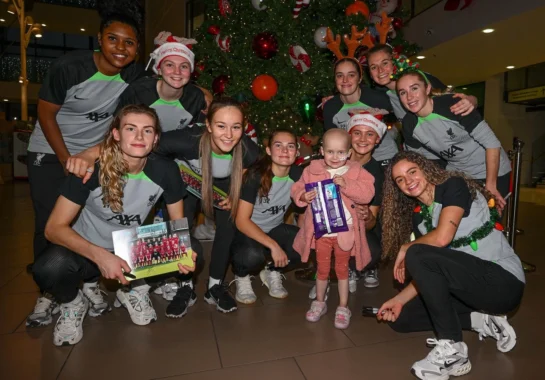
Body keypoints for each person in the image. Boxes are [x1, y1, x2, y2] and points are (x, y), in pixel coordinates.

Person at [66, 98, 261, 313]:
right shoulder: (187, 140)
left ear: (243, 129)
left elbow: (254, 165)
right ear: (208, 126)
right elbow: (142, 142)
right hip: (185, 185)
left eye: (236, 127)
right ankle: (185, 286)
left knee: (228, 226)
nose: (228, 134)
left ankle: (215, 286)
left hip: (220, 188)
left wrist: (237, 190)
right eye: (221, 126)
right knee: (180, 230)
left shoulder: (248, 150)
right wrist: (88, 154)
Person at [32, 105, 198, 346]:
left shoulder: (166, 170)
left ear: (156, 139)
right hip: (87, 250)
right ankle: (72, 302)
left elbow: (177, 223)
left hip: (129, 250)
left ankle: (132, 289)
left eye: (148, 131)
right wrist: (100, 256)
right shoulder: (90, 169)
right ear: (116, 134)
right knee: (48, 267)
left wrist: (182, 251)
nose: (140, 137)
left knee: (193, 255)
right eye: (131, 129)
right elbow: (53, 228)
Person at [26, 0, 144, 328]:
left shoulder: (132, 73)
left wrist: (203, 93)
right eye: (113, 39)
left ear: (136, 50)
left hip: (95, 152)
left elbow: (166, 83)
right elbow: (46, 115)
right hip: (50, 151)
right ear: (99, 38)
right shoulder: (69, 67)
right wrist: (66, 158)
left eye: (129, 42)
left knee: (92, 217)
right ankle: (50, 291)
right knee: (49, 220)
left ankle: (88, 282)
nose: (120, 48)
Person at [377, 151, 524, 380]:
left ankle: (454, 349)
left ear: (425, 169)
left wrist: (406, 248)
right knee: (402, 317)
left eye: (412, 171)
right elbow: (431, 268)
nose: (408, 181)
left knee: (417, 252)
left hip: (503, 282)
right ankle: (483, 320)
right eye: (400, 180)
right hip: (469, 286)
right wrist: (398, 300)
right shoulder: (420, 217)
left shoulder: (453, 186)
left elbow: (442, 238)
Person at [291, 129, 375, 329]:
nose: (335, 157)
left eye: (340, 152)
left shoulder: (357, 171)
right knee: (321, 269)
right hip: (321, 233)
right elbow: (296, 187)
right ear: (321, 151)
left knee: (342, 271)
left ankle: (343, 306)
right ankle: (319, 302)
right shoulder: (311, 170)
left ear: (348, 153)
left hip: (344, 233)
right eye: (330, 152)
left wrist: (347, 185)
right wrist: (302, 196)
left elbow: (367, 194)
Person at [395, 70, 511, 209]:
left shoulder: (451, 105)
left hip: (491, 171)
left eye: (414, 88)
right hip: (458, 173)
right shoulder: (409, 124)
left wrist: (490, 185)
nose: (409, 96)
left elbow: (492, 144)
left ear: (427, 88)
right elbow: (422, 160)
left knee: (487, 222)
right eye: (402, 92)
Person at [366, 44, 477, 165]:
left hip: (457, 154)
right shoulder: (383, 95)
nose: (380, 70)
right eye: (373, 67)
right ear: (370, 74)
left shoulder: (419, 80)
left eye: (385, 63)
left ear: (395, 62)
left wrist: (472, 100)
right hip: (425, 158)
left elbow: (458, 100)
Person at [231, 129, 303, 304]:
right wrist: (274, 246)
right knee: (252, 256)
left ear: (297, 151)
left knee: (305, 243)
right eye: (278, 145)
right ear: (269, 150)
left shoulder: (299, 176)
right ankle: (242, 275)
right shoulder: (256, 175)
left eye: (290, 146)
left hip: (274, 229)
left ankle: (272, 271)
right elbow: (241, 221)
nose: (285, 151)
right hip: (246, 232)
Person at [117, 31, 206, 132]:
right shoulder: (137, 92)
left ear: (190, 71)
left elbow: (196, 135)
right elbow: (120, 129)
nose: (177, 72)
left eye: (184, 66)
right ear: (159, 70)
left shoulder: (196, 98)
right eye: (169, 65)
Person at [323, 57, 397, 166]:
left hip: (386, 159)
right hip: (353, 164)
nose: (345, 80)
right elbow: (333, 144)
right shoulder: (330, 108)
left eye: (351, 75)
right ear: (335, 79)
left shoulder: (378, 99)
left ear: (360, 78)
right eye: (339, 75)